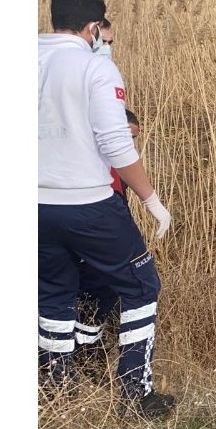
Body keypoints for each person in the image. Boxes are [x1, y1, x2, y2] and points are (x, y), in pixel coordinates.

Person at [38, 0, 175, 417]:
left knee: (54, 292)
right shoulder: (95, 68)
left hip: (33, 203)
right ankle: (135, 392)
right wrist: (151, 199)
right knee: (140, 285)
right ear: (94, 27)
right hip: (89, 202)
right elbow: (116, 143)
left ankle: (55, 384)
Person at [74, 108, 142, 368]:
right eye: (125, 136)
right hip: (92, 239)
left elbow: (121, 205)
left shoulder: (120, 165)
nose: (129, 144)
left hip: (103, 237)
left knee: (97, 296)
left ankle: (88, 350)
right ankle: (86, 354)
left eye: (133, 139)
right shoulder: (96, 163)